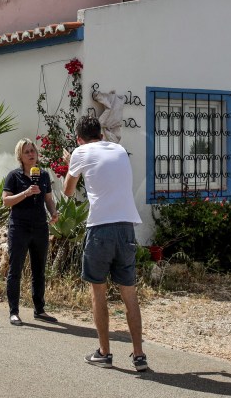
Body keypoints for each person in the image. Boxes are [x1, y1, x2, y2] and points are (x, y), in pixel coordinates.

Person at [63, 116, 148, 372]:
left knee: (98, 292)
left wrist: (70, 163)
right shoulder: (119, 149)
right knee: (129, 294)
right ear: (100, 133)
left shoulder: (79, 151)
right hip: (126, 227)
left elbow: (68, 190)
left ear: (79, 138)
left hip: (100, 227)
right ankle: (139, 355)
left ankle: (104, 352)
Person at [2, 138, 59, 326]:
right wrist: (26, 192)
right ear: (20, 156)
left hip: (40, 227)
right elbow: (6, 201)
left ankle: (39, 310)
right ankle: (14, 312)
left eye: (33, 150)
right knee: (15, 270)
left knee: (39, 270)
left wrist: (53, 212)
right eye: (26, 152)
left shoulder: (42, 175)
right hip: (19, 227)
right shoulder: (13, 176)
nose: (31, 154)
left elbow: (49, 199)